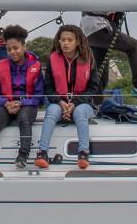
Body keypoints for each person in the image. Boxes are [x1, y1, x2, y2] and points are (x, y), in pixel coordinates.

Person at [35, 24, 102, 170]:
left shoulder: (89, 58)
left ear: (77, 41)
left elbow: (93, 88)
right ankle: (42, 153)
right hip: (59, 103)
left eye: (70, 40)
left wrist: (75, 103)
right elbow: (48, 87)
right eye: (63, 39)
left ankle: (83, 153)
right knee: (51, 112)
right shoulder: (53, 58)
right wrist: (60, 102)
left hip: (82, 104)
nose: (65, 43)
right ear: (58, 41)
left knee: (80, 112)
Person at [0, 24, 44, 170]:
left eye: (16, 48)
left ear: (24, 46)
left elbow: (39, 96)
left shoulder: (36, 66)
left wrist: (21, 103)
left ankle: (23, 156)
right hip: (6, 104)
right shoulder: (1, 66)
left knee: (24, 120)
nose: (12, 52)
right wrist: (6, 103)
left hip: (27, 104)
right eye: (9, 49)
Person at [81, 11, 137, 99]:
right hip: (99, 26)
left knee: (100, 70)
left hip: (87, 31)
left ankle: (95, 102)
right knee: (136, 47)